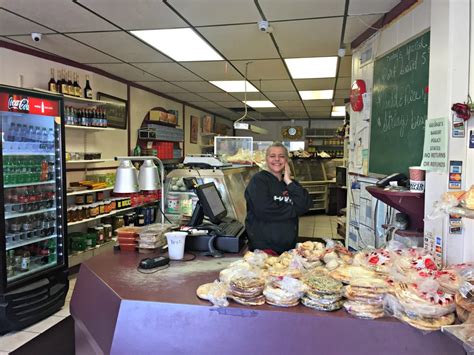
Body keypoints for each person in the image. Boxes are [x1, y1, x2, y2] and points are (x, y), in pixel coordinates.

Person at [244, 142, 313, 254]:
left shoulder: (291, 184)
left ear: (286, 160)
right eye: (272, 156)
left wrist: (288, 181)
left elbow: (305, 204)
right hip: (263, 249)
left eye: (281, 156)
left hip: (289, 248)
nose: (277, 159)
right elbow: (264, 210)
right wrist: (295, 210)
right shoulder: (258, 181)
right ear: (266, 159)